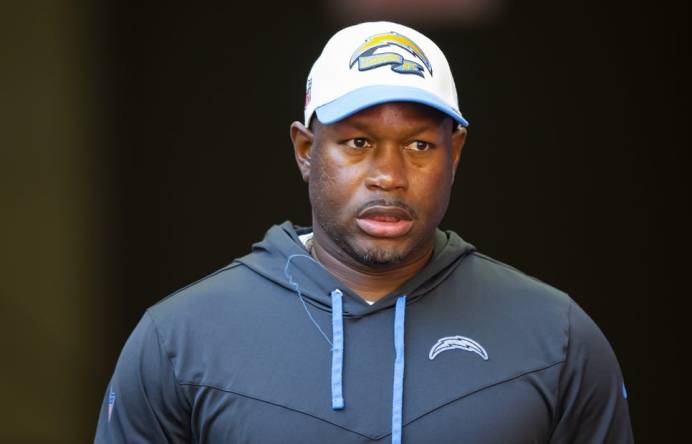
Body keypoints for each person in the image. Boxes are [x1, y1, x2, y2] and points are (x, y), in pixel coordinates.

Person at [94, 21, 633, 443]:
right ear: (306, 151)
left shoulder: (556, 337)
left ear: (456, 153)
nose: (389, 176)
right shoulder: (179, 341)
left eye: (419, 145)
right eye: (357, 142)